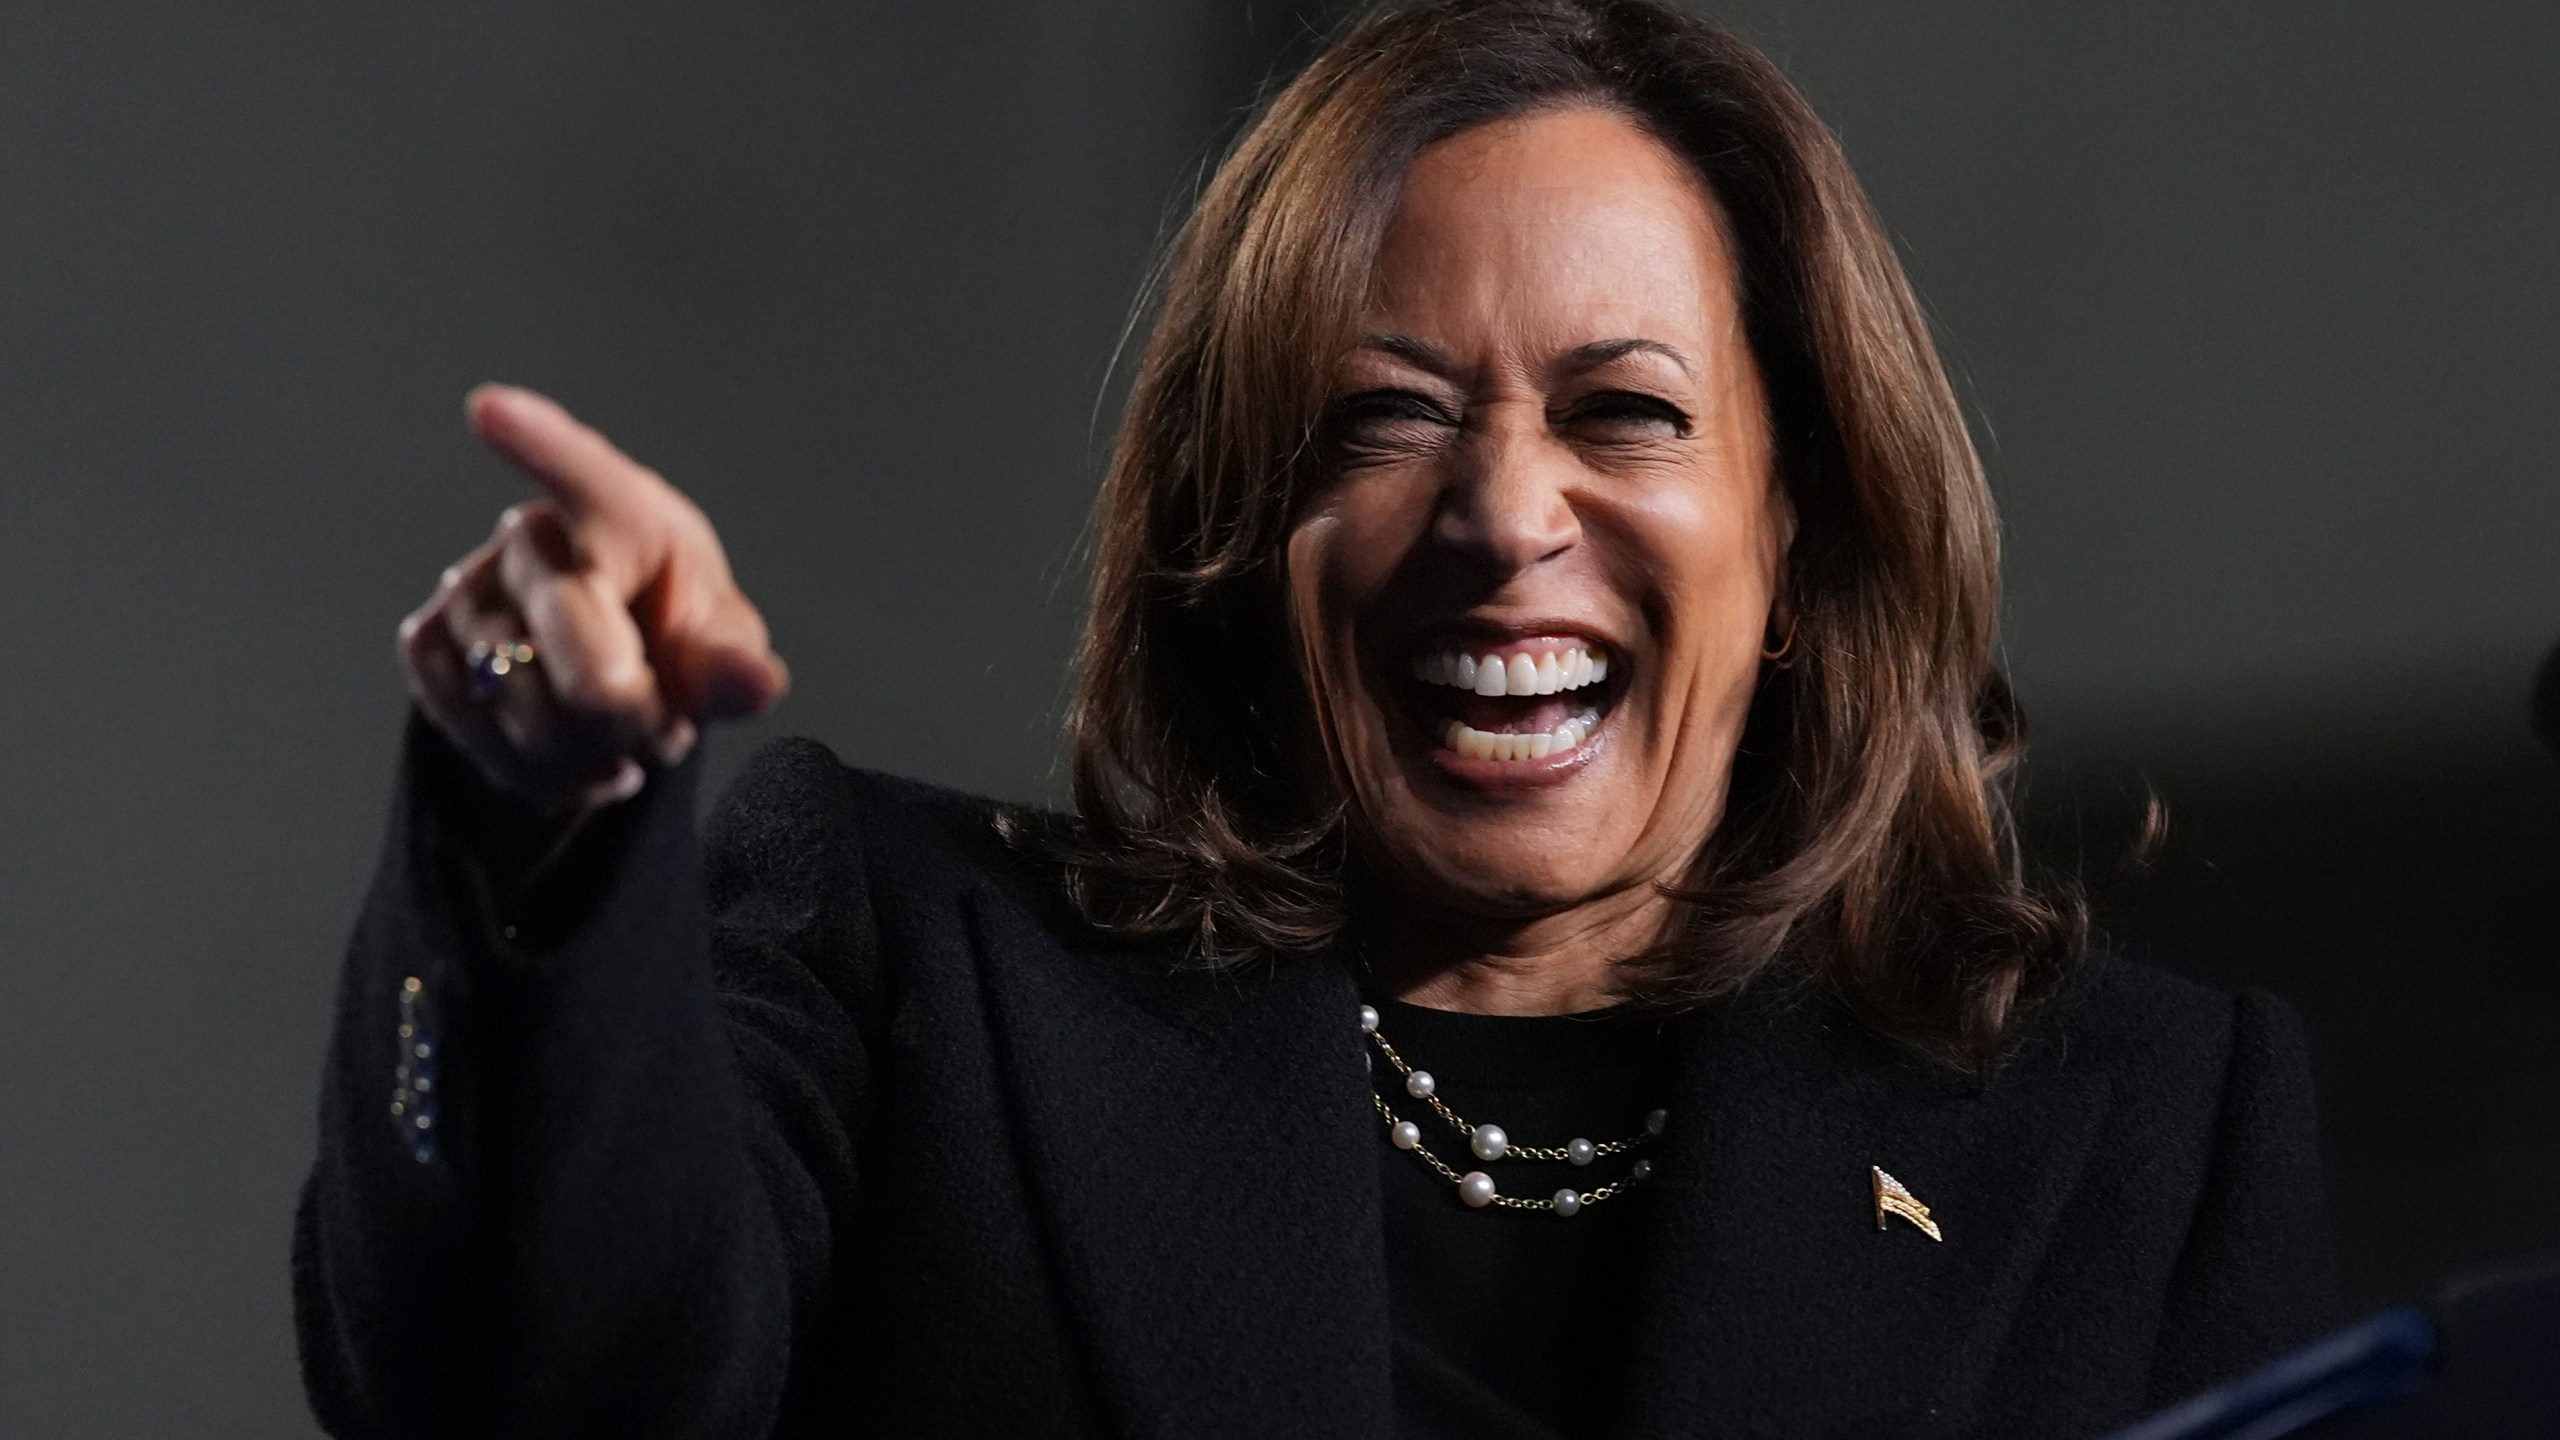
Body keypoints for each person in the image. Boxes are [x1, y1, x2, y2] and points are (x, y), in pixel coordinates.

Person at [292, 2, 2340, 1435]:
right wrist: (540, 833)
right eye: (1381, 422)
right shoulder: (905, 970)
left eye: (1622, 413)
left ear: (1794, 536)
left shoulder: (2133, 1128)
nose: (1500, 515)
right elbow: (518, 1391)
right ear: (1236, 537)